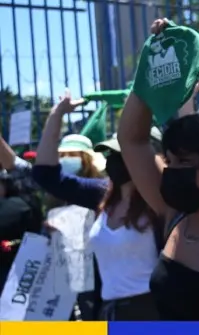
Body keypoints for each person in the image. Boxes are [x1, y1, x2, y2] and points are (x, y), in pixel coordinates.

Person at [118, 20, 199, 321]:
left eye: (185, 163)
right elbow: (131, 140)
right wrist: (154, 61)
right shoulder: (171, 215)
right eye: (169, 161)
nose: (170, 171)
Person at [32, 92, 164, 321]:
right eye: (111, 153)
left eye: (120, 154)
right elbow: (46, 175)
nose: (113, 160)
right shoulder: (103, 194)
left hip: (154, 312)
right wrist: (57, 115)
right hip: (109, 312)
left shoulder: (164, 199)